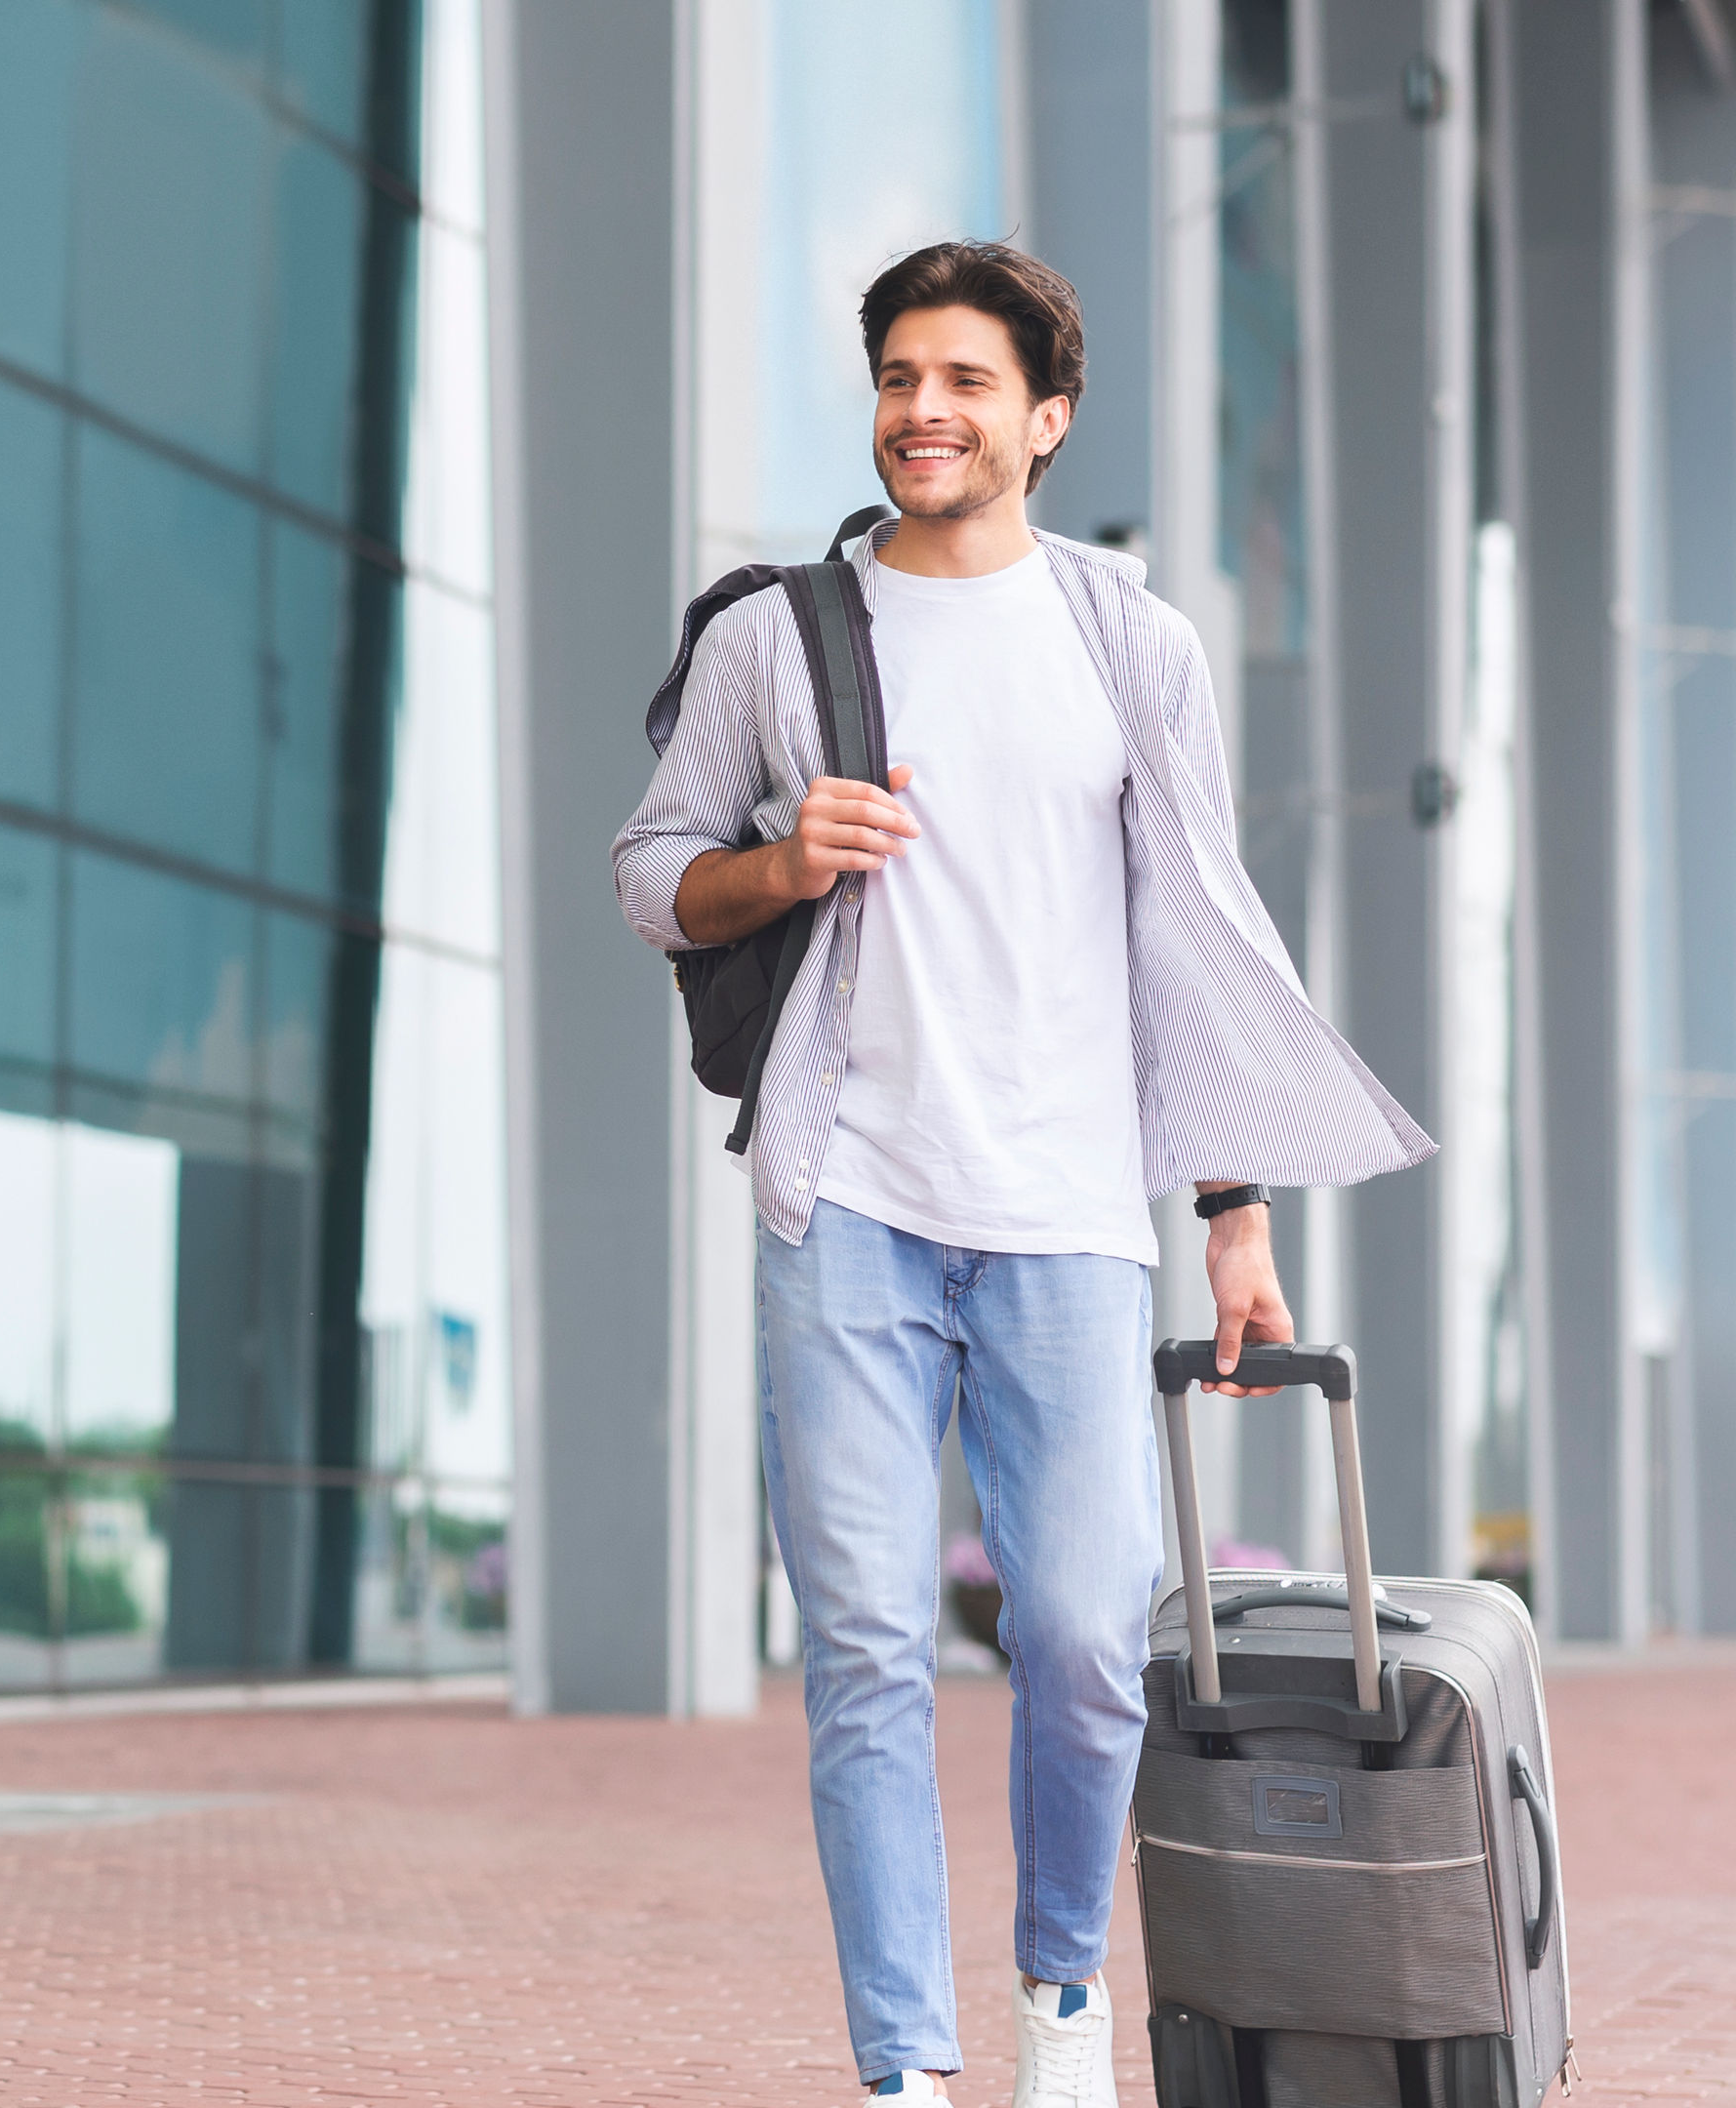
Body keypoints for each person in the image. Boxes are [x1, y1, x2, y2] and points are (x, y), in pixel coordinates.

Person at [609, 241, 1430, 2104]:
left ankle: (1062, 1989)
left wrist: (1235, 1218)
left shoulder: (1130, 642)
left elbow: (1200, 936)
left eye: (968, 382)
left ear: (1045, 420)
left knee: (1078, 1643)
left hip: (1066, 1219)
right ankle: (907, 2072)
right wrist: (781, 861)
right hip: (853, 1210)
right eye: (902, 375)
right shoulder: (779, 639)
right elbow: (655, 874)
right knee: (870, 1652)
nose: (925, 410)